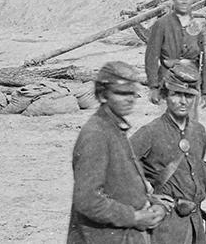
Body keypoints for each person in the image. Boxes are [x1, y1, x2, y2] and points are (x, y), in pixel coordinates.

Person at [68, 61, 166, 243]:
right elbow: (87, 200)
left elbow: (122, 185)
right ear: (102, 95)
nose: (129, 99)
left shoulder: (114, 128)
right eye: (121, 93)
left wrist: (154, 204)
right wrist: (134, 217)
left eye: (132, 93)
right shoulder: (96, 134)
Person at [132, 73, 206, 244]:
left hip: (195, 221)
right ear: (164, 96)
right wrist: (147, 197)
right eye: (176, 94)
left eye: (189, 95)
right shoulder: (150, 132)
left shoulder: (198, 131)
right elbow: (116, 169)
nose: (183, 101)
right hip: (166, 224)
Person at [145, 0, 206, 119]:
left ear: (192, 0)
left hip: (191, 84)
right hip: (169, 83)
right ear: (173, 0)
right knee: (169, 129)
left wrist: (205, 91)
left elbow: (202, 60)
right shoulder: (162, 25)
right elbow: (151, 57)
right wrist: (153, 87)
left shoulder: (195, 26)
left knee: (190, 127)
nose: (183, 2)